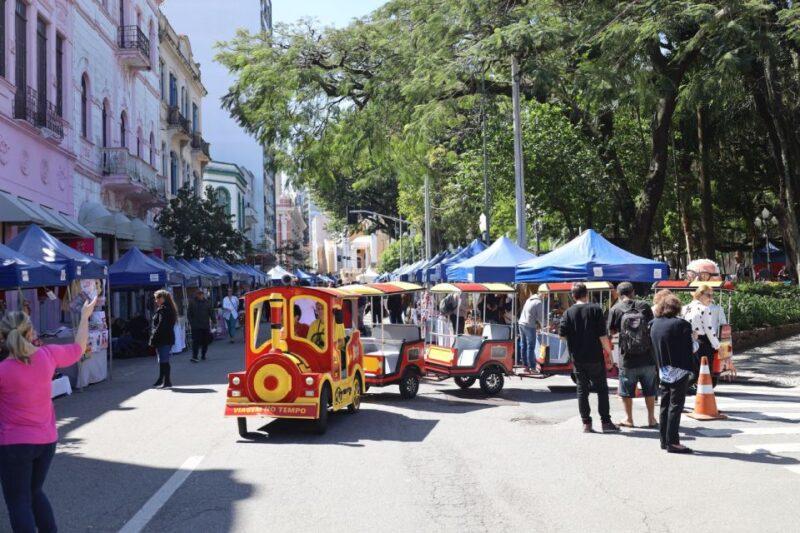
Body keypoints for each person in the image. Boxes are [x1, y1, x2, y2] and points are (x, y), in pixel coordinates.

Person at [0, 295, 97, 532]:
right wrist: (84, 316)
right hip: (46, 441)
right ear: (31, 332)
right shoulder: (48, 356)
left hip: (14, 444)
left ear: (3, 338)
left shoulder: (3, 371)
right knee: (34, 493)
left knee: (18, 502)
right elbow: (79, 348)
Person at [558, 283, 619, 434]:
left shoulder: (568, 313)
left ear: (573, 296)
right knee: (602, 389)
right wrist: (609, 354)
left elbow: (562, 336)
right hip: (595, 356)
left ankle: (586, 423)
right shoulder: (595, 309)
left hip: (578, 357)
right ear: (587, 294)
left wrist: (575, 339)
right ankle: (605, 422)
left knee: (582, 390)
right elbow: (602, 336)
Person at [607, 282, 658, 428]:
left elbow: (611, 332)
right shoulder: (644, 306)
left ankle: (629, 419)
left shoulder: (615, 309)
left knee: (626, 391)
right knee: (649, 389)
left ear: (618, 293)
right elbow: (651, 327)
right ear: (633, 292)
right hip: (647, 356)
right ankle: (651, 419)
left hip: (627, 358)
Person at [650, 292, 694, 453]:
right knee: (676, 406)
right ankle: (673, 442)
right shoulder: (682, 324)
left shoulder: (654, 323)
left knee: (664, 404)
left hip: (663, 369)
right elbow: (691, 348)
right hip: (679, 369)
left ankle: (664, 440)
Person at [681, 284, 720, 378]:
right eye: (708, 295)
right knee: (704, 372)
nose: (711, 299)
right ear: (700, 295)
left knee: (692, 370)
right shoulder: (704, 309)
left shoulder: (684, 308)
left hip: (687, 342)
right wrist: (717, 345)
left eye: (712, 296)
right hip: (702, 343)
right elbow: (709, 329)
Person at [150, 290, 177, 389]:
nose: (156, 300)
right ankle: (162, 379)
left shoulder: (165, 309)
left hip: (164, 338)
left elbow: (161, 325)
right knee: (162, 359)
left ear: (162, 298)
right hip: (165, 337)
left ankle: (167, 381)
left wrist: (154, 337)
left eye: (157, 298)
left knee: (164, 359)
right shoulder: (165, 308)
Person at [518, 290, 544, 372]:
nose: (546, 297)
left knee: (523, 344)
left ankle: (525, 366)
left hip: (521, 323)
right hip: (529, 325)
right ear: (542, 294)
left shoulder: (529, 299)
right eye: (545, 295)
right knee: (531, 346)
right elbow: (540, 317)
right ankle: (532, 367)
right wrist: (545, 325)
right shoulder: (538, 302)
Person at [187, 290, 214, 363]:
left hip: (205, 325)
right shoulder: (192, 302)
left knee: (205, 341)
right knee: (195, 341)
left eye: (201, 294)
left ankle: (203, 354)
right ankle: (194, 356)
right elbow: (189, 313)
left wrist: (214, 321)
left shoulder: (207, 302)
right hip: (196, 326)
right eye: (199, 295)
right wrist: (191, 322)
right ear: (197, 295)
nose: (200, 296)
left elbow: (211, 312)